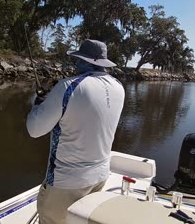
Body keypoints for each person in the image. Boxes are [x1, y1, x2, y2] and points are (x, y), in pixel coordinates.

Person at [26, 39, 125, 224]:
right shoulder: (119, 87)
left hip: (66, 182)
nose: (75, 64)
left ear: (84, 61)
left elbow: (34, 129)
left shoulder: (67, 86)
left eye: (77, 60)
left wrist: (37, 105)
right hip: (100, 176)